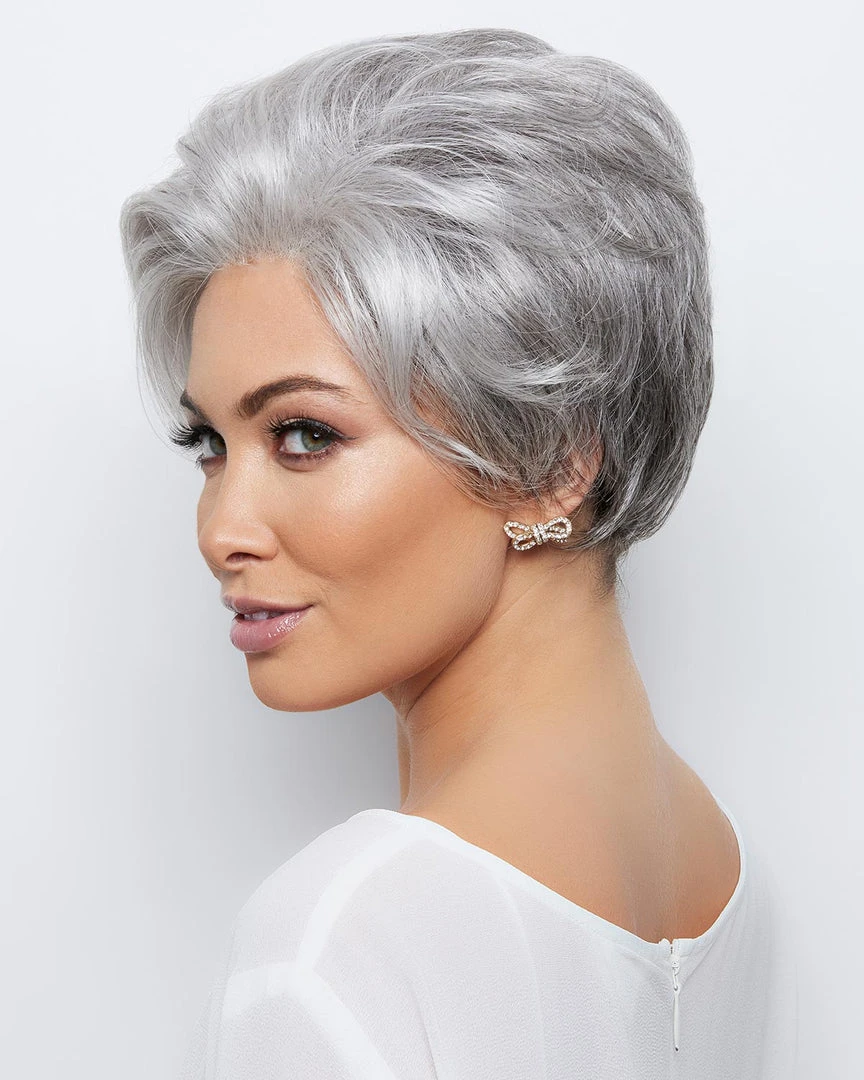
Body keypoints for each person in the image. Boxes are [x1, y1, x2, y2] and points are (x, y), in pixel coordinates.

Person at [118, 26, 797, 1079]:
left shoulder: (336, 947)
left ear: (549, 461)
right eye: (209, 443)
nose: (220, 531)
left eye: (305, 435)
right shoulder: (724, 872)